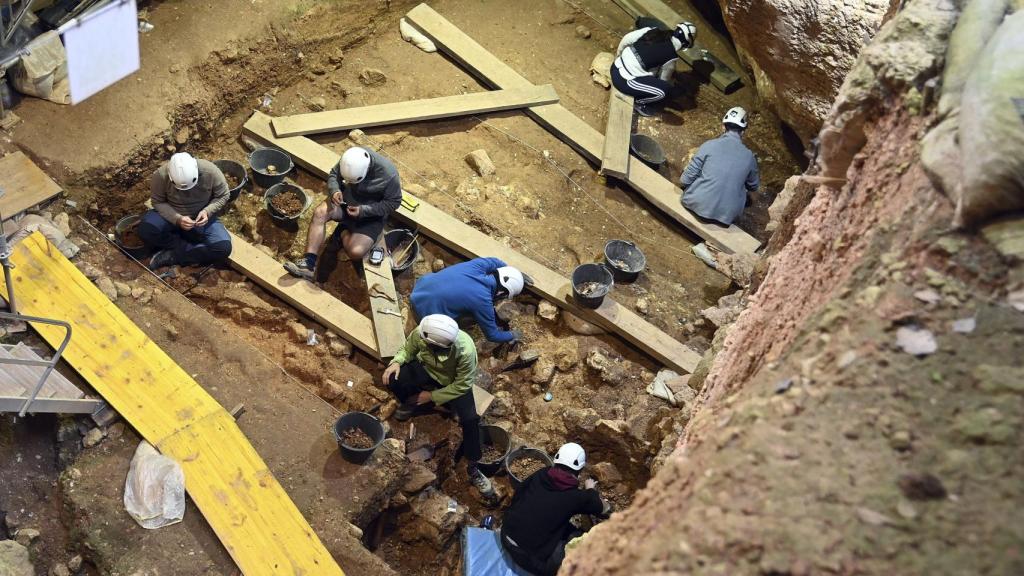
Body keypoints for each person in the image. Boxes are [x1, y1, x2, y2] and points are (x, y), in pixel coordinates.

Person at [382, 314, 496, 499]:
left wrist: (432, 396)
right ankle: (415, 405)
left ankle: (473, 466)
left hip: (452, 382)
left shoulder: (465, 350)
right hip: (427, 370)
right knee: (394, 378)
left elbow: (463, 385)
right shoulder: (423, 332)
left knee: (470, 419)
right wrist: (397, 361)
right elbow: (408, 350)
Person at [284, 146, 402, 280]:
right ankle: (308, 264)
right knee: (320, 213)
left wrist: (364, 211)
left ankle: (342, 232)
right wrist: (335, 190)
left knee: (355, 251)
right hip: (345, 203)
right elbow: (334, 174)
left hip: (371, 216)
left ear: (367, 170)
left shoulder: (389, 174)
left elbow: (394, 202)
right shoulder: (350, 158)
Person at [500, 443, 612, 576]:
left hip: (506, 535)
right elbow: (602, 509)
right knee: (579, 539)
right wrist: (590, 489)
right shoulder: (576, 497)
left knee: (559, 523)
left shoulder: (541, 474)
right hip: (529, 561)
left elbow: (519, 493)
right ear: (579, 470)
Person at [140, 152, 232, 269]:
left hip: (201, 217)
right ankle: (183, 247)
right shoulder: (160, 176)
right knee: (146, 229)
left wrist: (207, 211)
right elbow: (157, 201)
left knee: (223, 247)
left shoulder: (211, 172)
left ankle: (174, 256)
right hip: (171, 214)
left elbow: (224, 195)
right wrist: (177, 219)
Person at [410, 257, 526, 344]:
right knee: (474, 317)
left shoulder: (478, 265)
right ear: (502, 292)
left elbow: (496, 261)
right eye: (504, 295)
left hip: (418, 290)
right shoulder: (483, 301)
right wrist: (512, 335)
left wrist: (513, 272)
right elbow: (493, 336)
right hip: (421, 315)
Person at [679, 106, 760, 226]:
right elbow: (754, 186)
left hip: (694, 205)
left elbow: (684, 180)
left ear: (723, 127)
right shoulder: (749, 157)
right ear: (743, 132)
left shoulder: (709, 145)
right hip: (725, 217)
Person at [610, 20, 697, 116]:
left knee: (650, 71)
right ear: (686, 44)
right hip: (623, 81)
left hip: (615, 66)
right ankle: (639, 103)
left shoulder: (653, 30)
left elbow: (626, 39)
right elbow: (663, 81)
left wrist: (618, 56)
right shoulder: (672, 57)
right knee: (663, 91)